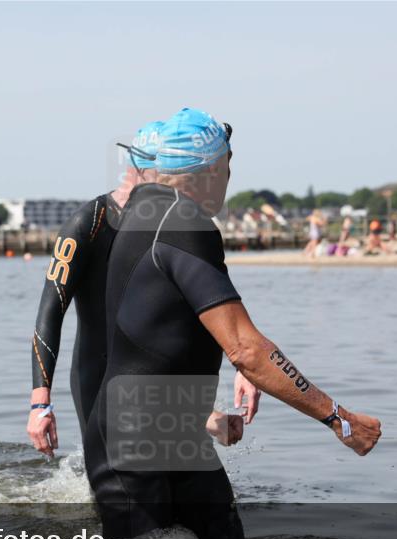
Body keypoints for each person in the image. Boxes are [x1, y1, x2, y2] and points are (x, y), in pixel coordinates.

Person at [84, 108, 382, 539]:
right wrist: (338, 418)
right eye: (227, 165)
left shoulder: (145, 210)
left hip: (166, 426)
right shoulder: (184, 222)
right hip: (137, 443)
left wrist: (225, 382)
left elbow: (158, 322)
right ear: (210, 171)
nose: (229, 176)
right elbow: (246, 345)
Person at [28, 121, 260, 457]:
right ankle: (203, 422)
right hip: (97, 371)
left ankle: (200, 421)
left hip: (160, 378)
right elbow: (50, 310)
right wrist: (40, 403)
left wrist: (246, 367)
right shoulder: (89, 222)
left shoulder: (177, 225)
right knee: (116, 487)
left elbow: (214, 306)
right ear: (136, 166)